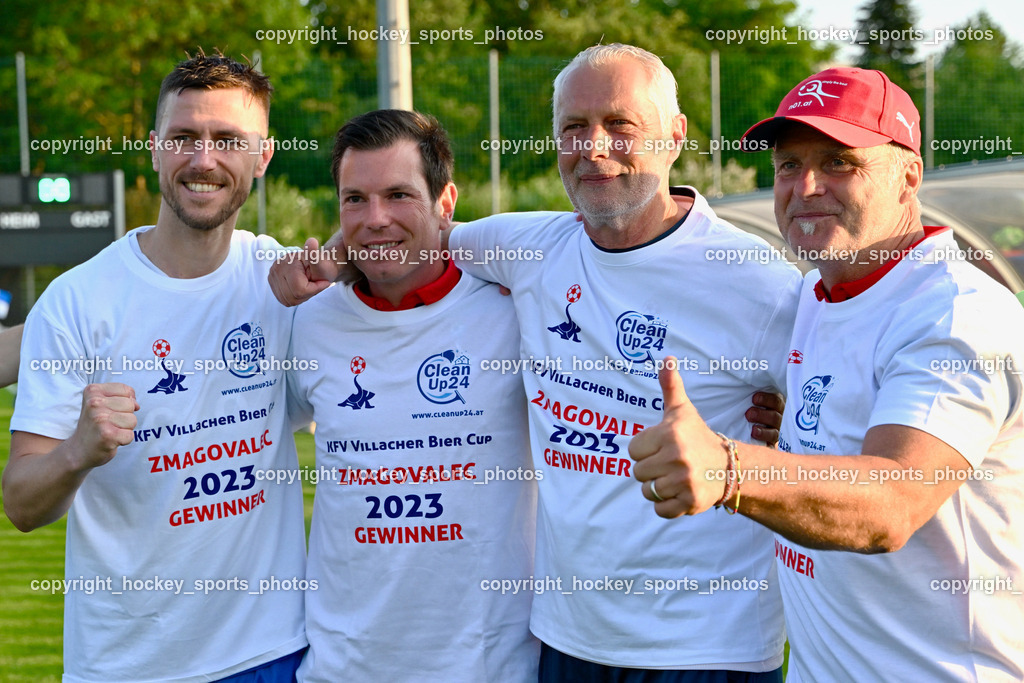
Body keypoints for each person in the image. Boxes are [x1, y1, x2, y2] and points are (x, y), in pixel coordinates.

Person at [271, 43, 801, 681]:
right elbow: (406, 234)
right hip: (564, 640)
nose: (593, 146)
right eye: (573, 128)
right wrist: (329, 260)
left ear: (675, 136)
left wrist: (774, 440)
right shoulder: (528, 249)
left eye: (619, 125)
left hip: (706, 649)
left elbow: (836, 422)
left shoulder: (757, 283)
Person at [629, 67, 1024, 681]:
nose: (806, 186)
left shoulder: (955, 313)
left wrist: (730, 468)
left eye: (840, 162)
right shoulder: (819, 291)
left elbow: (890, 501)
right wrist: (799, 437)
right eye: (788, 165)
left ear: (909, 176)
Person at [3, 50, 307, 681]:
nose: (204, 159)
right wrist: (77, 452)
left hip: (271, 655)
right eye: (183, 138)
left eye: (229, 139)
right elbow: (22, 504)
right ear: (153, 148)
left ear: (264, 155)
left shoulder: (283, 282)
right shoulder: (79, 300)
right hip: (124, 666)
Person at [284, 109, 538, 682]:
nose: (375, 219)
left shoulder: (515, 305)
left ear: (446, 201)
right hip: (342, 670)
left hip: (492, 669)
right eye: (355, 199)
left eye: (398, 195)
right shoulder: (308, 321)